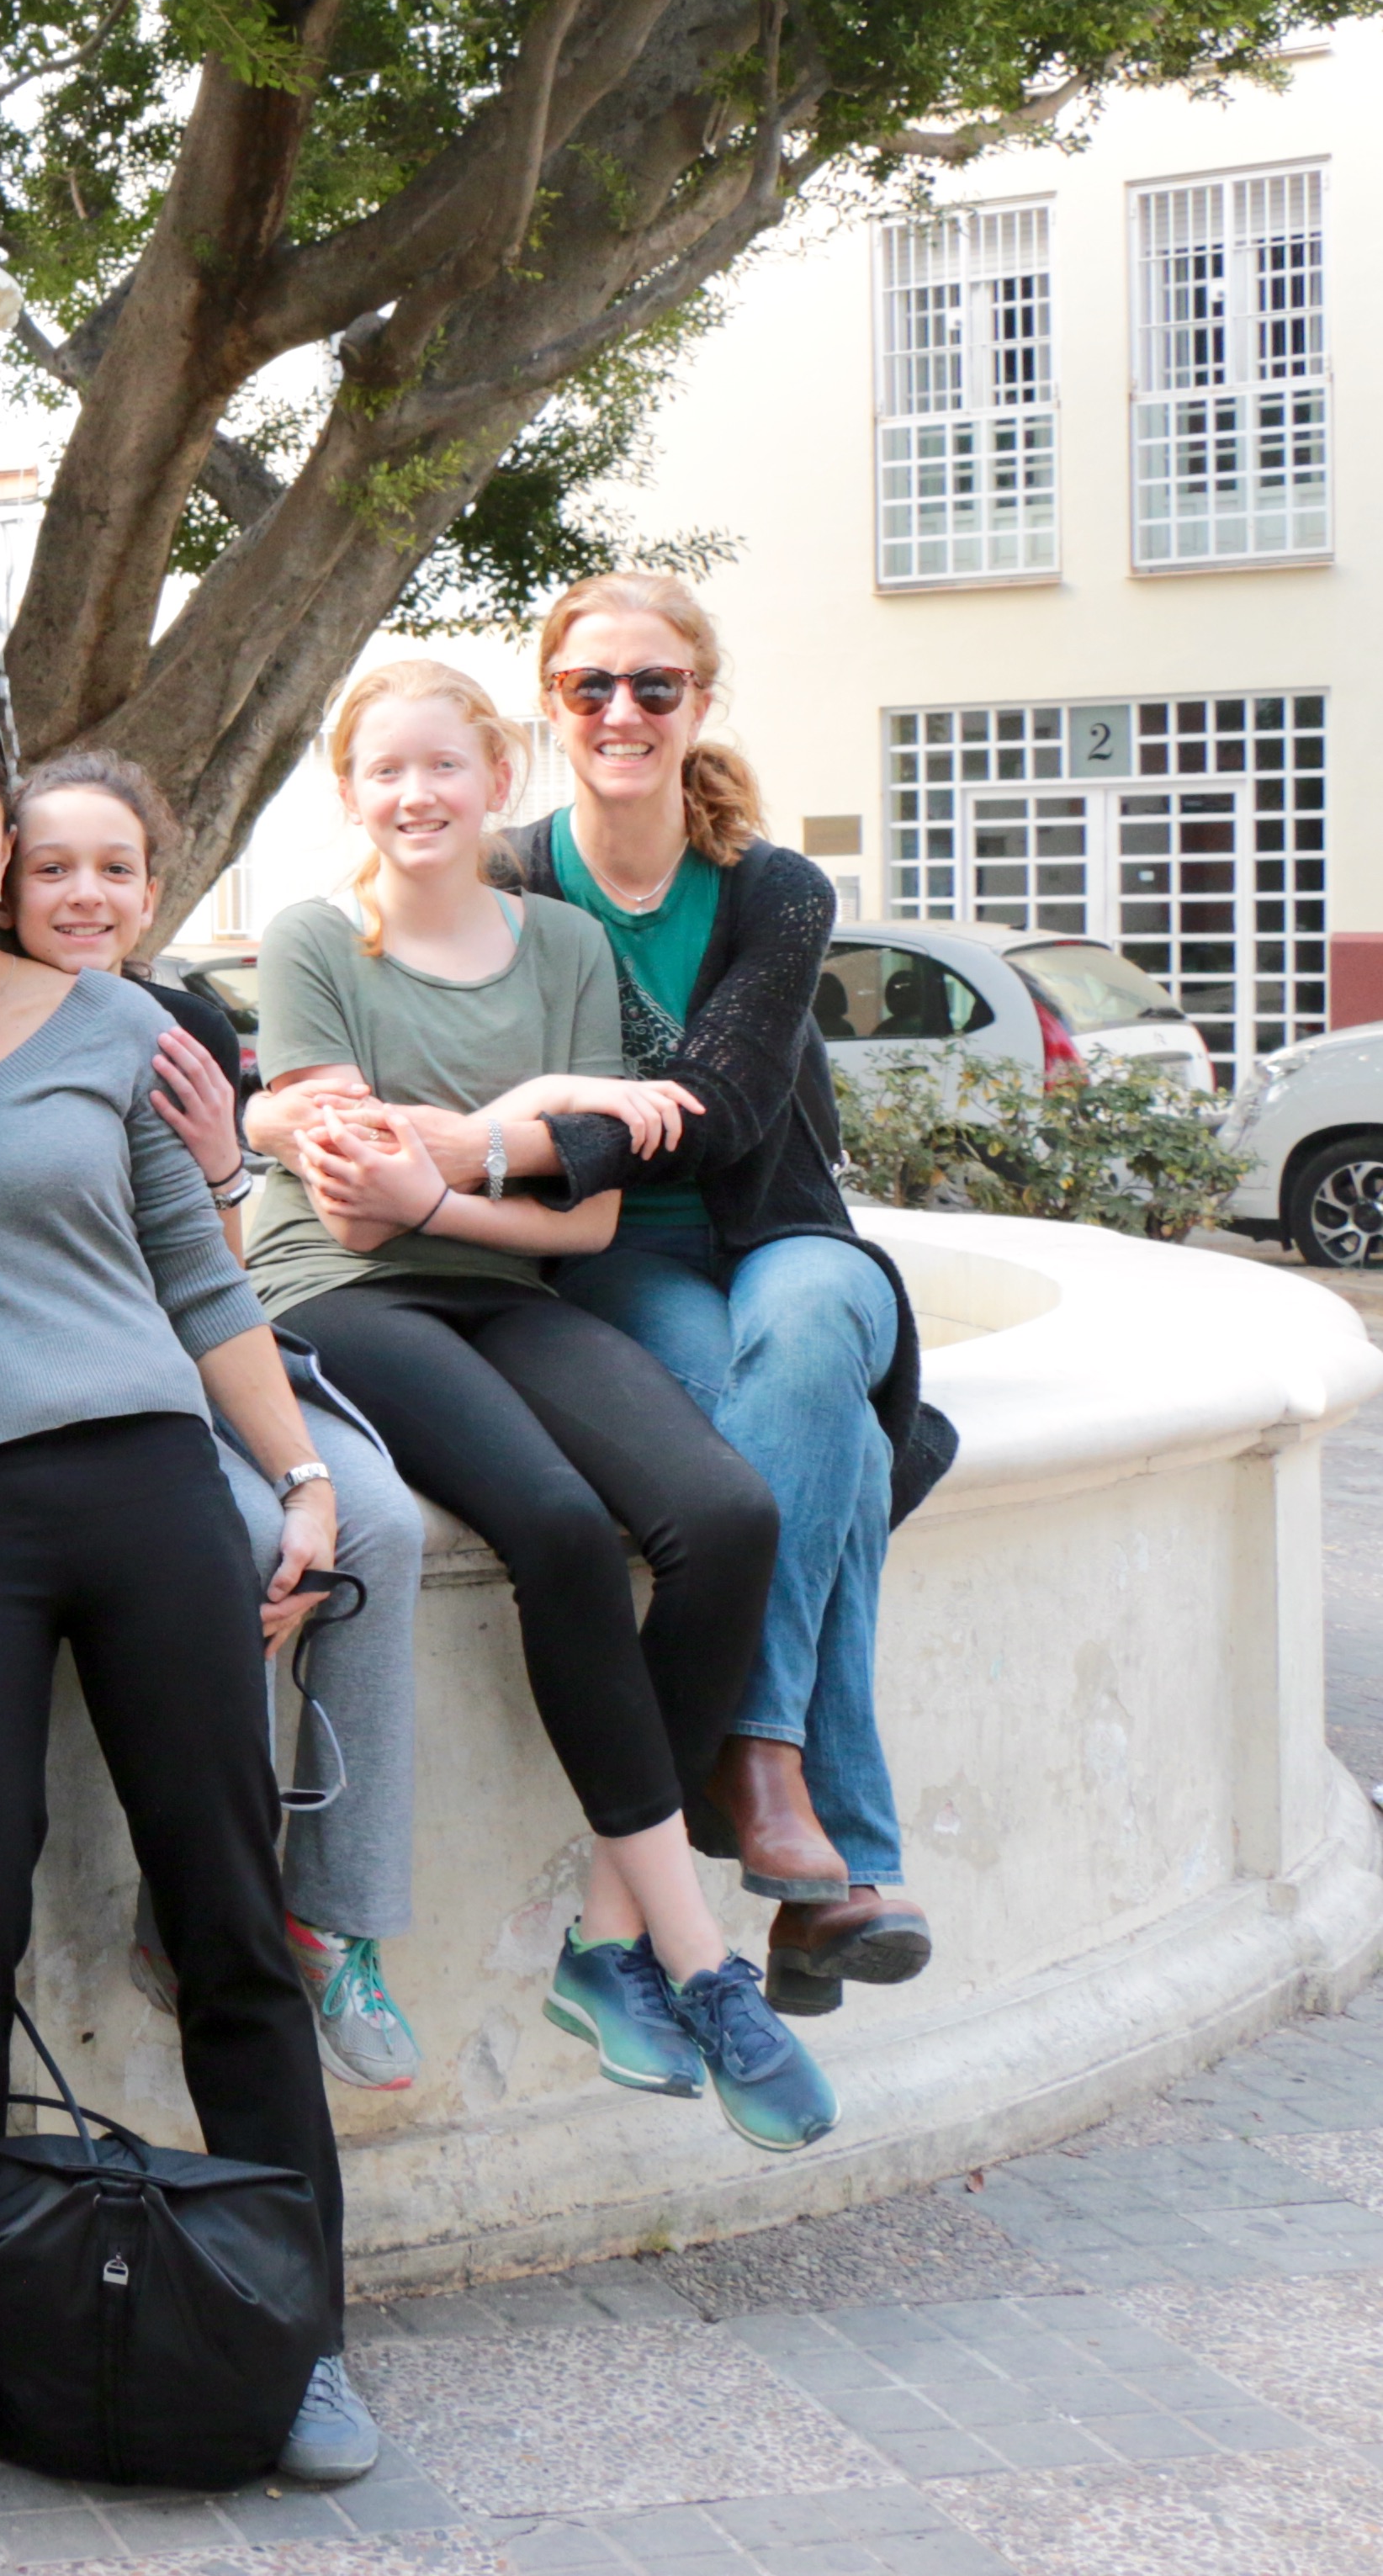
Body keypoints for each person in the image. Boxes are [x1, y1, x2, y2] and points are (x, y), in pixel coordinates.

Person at [0, 705, 377, 2515]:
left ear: (1, 844)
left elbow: (198, 1275)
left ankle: (293, 2332)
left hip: (145, 1481)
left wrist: (297, 1478)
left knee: (231, 1915)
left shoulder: (119, 1027)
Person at [241, 660, 835, 2153]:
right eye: (386, 773)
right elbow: (359, 1210)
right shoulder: (317, 938)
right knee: (561, 1531)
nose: (417, 796)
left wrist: (452, 1173)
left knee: (726, 1513)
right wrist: (538, 1116)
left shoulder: (563, 941)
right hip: (343, 1296)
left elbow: (579, 1228)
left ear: (498, 779)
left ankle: (602, 1927)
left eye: (445, 767)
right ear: (351, 793)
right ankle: (700, 1960)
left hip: (513, 1286)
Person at [511, 575, 951, 2009]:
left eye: (654, 686)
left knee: (812, 1334)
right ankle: (839, 1883)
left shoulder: (775, 887)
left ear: (699, 699)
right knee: (790, 1436)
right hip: (622, 1254)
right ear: (552, 702)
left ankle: (755, 1754)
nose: (622, 712)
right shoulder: (516, 880)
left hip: (784, 1233)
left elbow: (731, 1106)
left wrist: (529, 1133)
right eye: (592, 687)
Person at [2, 748, 428, 2091]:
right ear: (5, 882)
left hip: (220, 1354)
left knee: (385, 1526)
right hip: (104, 1391)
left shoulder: (183, 1018)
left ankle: (332, 1911)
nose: (84, 893)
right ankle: (194, 1906)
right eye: (52, 867)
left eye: (113, 869)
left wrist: (222, 1164)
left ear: (154, 887)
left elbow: (220, 1270)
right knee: (242, 1557)